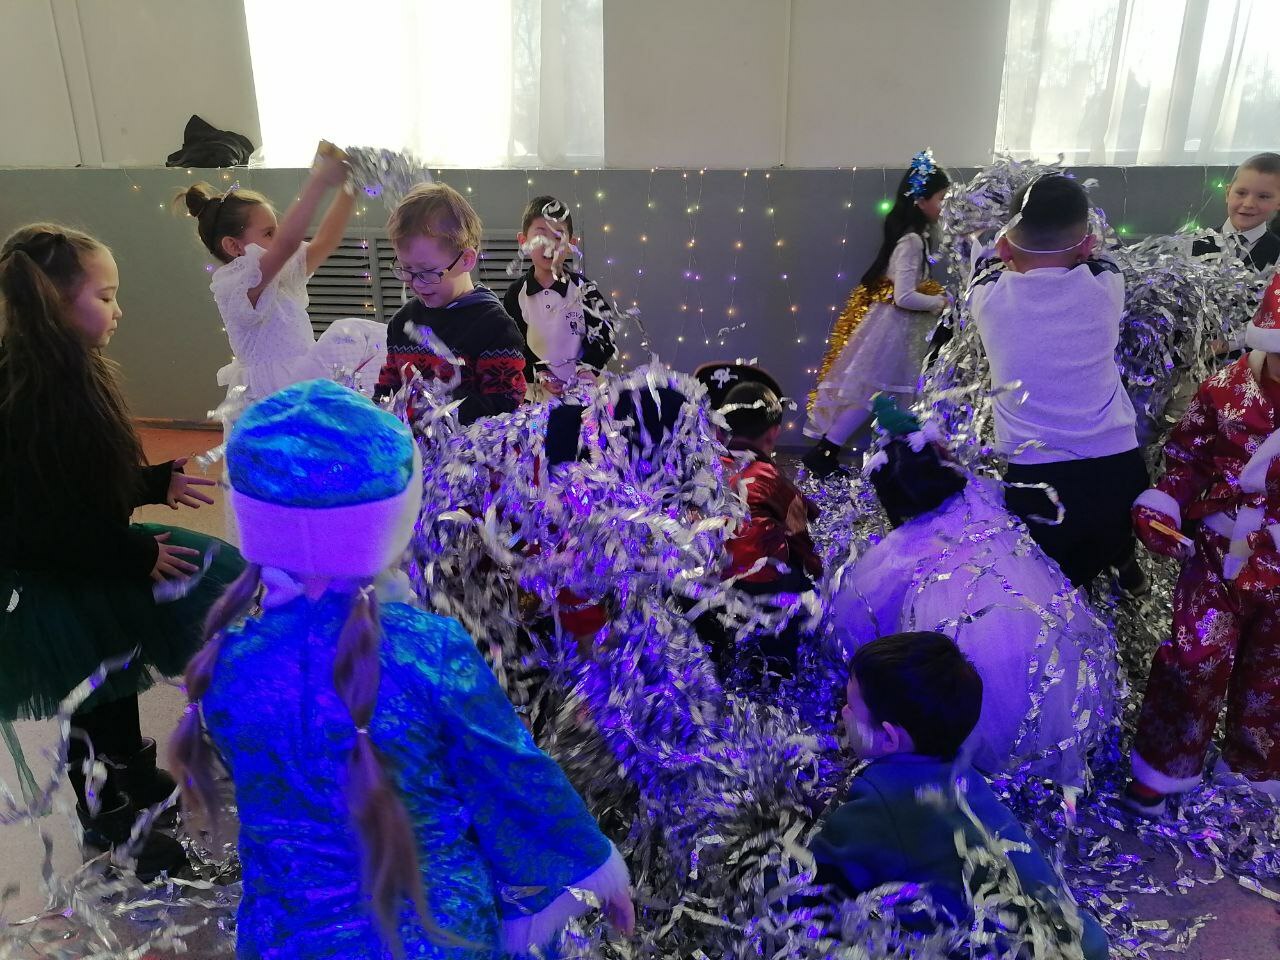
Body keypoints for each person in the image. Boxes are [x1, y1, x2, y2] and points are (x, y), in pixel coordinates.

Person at [169, 379, 634, 959]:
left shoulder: (230, 663)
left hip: (289, 934)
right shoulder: (427, 650)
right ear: (390, 522)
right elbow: (508, 772)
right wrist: (591, 867)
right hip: (436, 932)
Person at [0, 224, 244, 879]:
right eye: (106, 297)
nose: (119, 311)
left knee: (117, 678)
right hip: (63, 579)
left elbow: (84, 486)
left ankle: (133, 777)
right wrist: (132, 556)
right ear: (55, 303)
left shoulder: (71, 371)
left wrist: (153, 483)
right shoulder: (33, 395)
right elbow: (41, 521)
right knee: (92, 700)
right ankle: (109, 818)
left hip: (94, 564)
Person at [831, 395, 1114, 786]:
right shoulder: (982, 496)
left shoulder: (905, 546)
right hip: (1035, 630)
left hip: (966, 668)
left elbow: (859, 611)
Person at [809, 632, 1108, 960]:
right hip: (1079, 942)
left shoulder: (879, 798)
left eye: (851, 706)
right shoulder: (964, 775)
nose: (843, 712)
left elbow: (813, 882)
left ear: (890, 738)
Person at [1126, 269, 1280, 815]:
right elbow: (1187, 460)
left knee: (1272, 671)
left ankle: (1255, 768)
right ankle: (1165, 766)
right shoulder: (1222, 389)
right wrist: (1163, 504)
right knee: (1194, 656)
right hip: (1221, 551)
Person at [968, 174, 1147, 590]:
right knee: (1113, 531)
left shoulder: (986, 297)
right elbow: (1102, 256)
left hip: (1039, 478)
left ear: (1004, 249)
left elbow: (983, 262)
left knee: (1052, 581)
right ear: (1087, 246)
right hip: (1118, 465)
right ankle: (1125, 564)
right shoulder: (1107, 284)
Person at [178, 143, 387, 416]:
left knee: (372, 343)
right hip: (274, 392)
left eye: (276, 231)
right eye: (269, 233)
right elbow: (287, 243)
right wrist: (319, 180)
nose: (278, 239)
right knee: (351, 334)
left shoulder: (279, 273)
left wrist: (351, 187)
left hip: (300, 376)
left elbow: (325, 242)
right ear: (234, 246)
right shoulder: (236, 285)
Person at [803, 150, 950, 478]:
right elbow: (904, 295)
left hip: (899, 328)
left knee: (879, 394)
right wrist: (940, 302)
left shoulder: (917, 239)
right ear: (920, 201)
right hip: (894, 329)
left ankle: (838, 452)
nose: (945, 205)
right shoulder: (912, 241)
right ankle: (827, 451)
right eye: (941, 198)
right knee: (871, 393)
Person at [694, 362, 820, 684]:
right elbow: (800, 535)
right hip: (759, 588)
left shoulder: (705, 467)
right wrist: (816, 571)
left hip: (705, 585)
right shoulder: (771, 477)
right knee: (799, 590)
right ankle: (777, 673)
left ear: (720, 429)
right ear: (774, 433)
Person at [373, 183, 528, 424]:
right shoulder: (402, 323)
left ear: (466, 260)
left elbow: (504, 406)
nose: (416, 283)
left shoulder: (495, 328)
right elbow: (386, 391)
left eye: (427, 271)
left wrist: (428, 410)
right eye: (406, 269)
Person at [503, 196, 617, 398]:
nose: (550, 246)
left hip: (587, 393)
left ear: (571, 244)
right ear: (523, 241)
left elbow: (605, 331)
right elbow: (513, 345)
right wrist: (540, 372)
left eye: (558, 237)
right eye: (540, 237)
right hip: (539, 396)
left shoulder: (583, 289)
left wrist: (588, 368)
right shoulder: (516, 293)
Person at [1190, 152, 1280, 273]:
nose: (1248, 204)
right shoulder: (1191, 245)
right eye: (1241, 193)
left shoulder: (1278, 256)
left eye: (1263, 196)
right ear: (1228, 193)